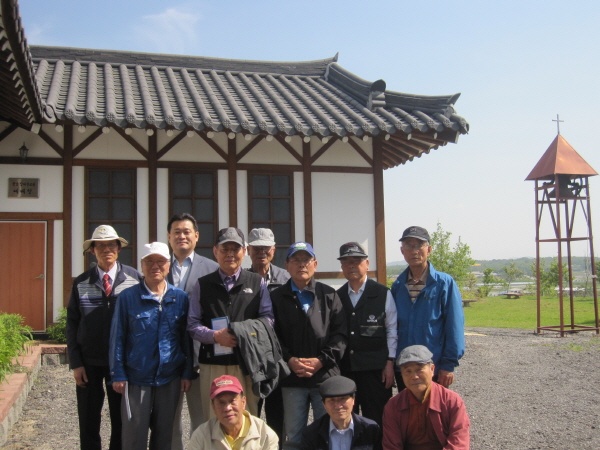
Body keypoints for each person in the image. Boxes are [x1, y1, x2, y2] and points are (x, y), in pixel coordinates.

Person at [109, 242, 194, 450]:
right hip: (137, 378)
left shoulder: (180, 298)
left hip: (170, 377)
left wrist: (186, 372)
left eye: (160, 261)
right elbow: (118, 337)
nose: (155, 266)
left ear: (168, 265)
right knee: (134, 438)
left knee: (165, 438)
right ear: (142, 265)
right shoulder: (128, 298)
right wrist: (118, 373)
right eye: (149, 261)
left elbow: (186, 339)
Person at [66, 224, 142, 450]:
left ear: (119, 248)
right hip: (89, 361)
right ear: (92, 250)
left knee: (121, 418)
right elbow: (72, 323)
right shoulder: (81, 282)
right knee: (88, 417)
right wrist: (76, 363)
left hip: (122, 362)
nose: (106, 249)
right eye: (100, 246)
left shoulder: (134, 279)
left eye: (111, 245)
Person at [187, 227, 274, 421]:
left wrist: (244, 333)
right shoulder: (203, 284)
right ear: (215, 251)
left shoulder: (256, 282)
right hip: (212, 364)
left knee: (247, 418)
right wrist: (215, 336)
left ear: (244, 251)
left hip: (247, 363)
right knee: (214, 419)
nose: (230, 254)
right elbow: (192, 324)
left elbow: (268, 319)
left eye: (235, 249)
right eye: (225, 249)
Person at [270, 241, 347, 448]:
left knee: (327, 433)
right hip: (292, 378)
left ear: (315, 264)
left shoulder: (329, 294)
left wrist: (321, 361)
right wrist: (289, 360)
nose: (301, 264)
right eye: (296, 260)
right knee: (293, 436)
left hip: (325, 377)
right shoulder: (276, 297)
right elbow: (272, 337)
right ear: (287, 265)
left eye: (306, 260)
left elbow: (340, 336)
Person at [167, 213, 219, 448]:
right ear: (169, 237)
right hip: (167, 355)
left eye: (187, 231)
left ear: (196, 236)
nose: (182, 236)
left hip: (201, 354)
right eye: (176, 232)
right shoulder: (159, 266)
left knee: (202, 419)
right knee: (169, 419)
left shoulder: (212, 269)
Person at [391, 226, 465, 390]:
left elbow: (454, 325)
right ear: (402, 251)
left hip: (433, 366)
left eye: (419, 245)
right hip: (405, 367)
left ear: (429, 249)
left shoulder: (444, 283)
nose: (414, 251)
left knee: (433, 406)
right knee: (407, 406)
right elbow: (392, 326)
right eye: (409, 245)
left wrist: (448, 364)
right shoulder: (398, 285)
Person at [336, 242, 397, 427]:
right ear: (342, 266)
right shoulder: (337, 296)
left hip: (375, 370)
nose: (352, 265)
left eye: (357, 261)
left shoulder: (383, 293)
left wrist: (390, 362)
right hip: (347, 369)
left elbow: (392, 329)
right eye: (347, 262)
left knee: (377, 420)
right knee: (347, 421)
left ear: (367, 264)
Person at [247, 227, 290, 445]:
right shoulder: (242, 279)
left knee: (277, 417)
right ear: (248, 250)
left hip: (278, 359)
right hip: (250, 359)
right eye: (256, 248)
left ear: (274, 250)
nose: (261, 252)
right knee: (249, 416)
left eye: (266, 248)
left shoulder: (285, 278)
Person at [382, 345, 470, 449]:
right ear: (401, 374)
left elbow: (459, 444)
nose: (414, 376)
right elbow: (391, 446)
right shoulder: (393, 406)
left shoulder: (452, 401)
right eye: (408, 371)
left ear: (432, 369)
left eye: (419, 369)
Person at [188, 374, 279, 449]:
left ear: (243, 402)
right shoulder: (201, 436)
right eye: (221, 402)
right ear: (213, 407)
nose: (227, 408)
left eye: (232, 401)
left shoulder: (265, 435)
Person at [300, 376, 382, 450]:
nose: (338, 406)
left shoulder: (371, 430)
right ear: (324, 404)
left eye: (343, 399)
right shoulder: (311, 434)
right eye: (332, 400)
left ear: (353, 400)